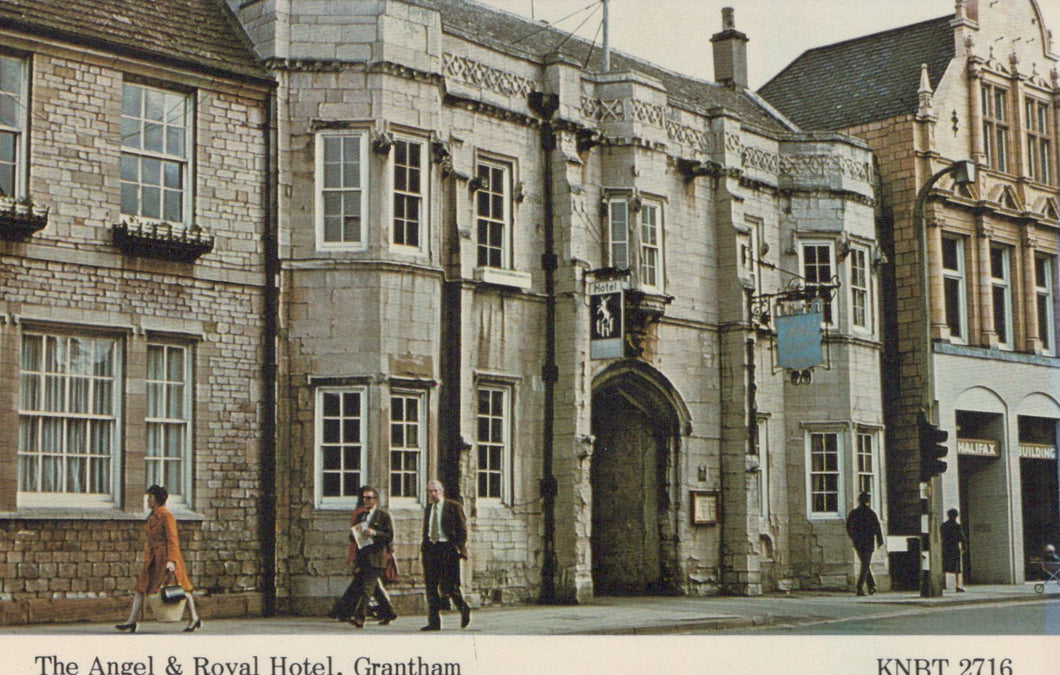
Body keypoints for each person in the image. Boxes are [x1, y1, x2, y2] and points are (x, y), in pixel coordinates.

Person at [116, 485, 202, 633]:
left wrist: (171, 561)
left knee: (180, 587)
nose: (147, 500)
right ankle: (131, 621)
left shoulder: (166, 516)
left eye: (150, 497)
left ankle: (194, 618)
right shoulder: (152, 516)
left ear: (157, 499)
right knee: (140, 588)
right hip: (153, 559)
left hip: (166, 558)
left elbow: (172, 540)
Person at [330, 488, 397, 625]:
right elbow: (353, 536)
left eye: (368, 498)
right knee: (375, 590)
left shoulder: (383, 516)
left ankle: (360, 617)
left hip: (376, 558)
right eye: (364, 498)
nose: (365, 501)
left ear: (375, 500)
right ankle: (389, 613)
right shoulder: (362, 516)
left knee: (367, 589)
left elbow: (389, 536)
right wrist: (355, 534)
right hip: (363, 558)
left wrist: (374, 533)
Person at [420, 479, 471, 631]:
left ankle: (463, 608)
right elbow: (427, 529)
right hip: (431, 548)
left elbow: (462, 530)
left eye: (435, 491)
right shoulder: (429, 508)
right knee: (431, 586)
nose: (433, 494)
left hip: (447, 548)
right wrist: (425, 546)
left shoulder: (453, 507)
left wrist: (458, 547)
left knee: (450, 586)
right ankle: (434, 622)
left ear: (441, 492)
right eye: (430, 491)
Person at [845, 491, 884, 596]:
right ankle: (860, 587)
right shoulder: (871, 513)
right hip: (868, 542)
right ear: (868, 501)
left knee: (865, 564)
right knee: (865, 564)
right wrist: (880, 540)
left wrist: (853, 537)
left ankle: (872, 586)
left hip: (858, 542)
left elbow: (848, 527)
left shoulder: (854, 513)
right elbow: (877, 528)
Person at [940, 508, 967, 592]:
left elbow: (940, 536)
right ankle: (958, 585)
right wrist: (964, 547)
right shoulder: (957, 526)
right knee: (957, 568)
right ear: (956, 516)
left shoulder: (943, 526)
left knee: (943, 565)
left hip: (945, 547)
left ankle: (940, 584)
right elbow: (962, 538)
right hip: (954, 548)